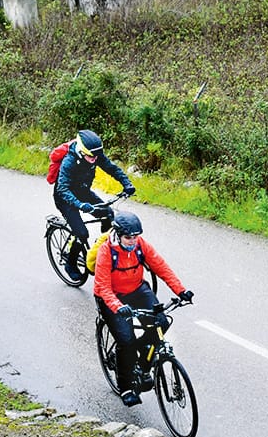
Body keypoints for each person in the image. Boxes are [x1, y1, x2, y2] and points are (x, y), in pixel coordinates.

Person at [93, 210, 194, 407]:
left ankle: (139, 361)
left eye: (135, 236)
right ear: (118, 234)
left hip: (137, 290)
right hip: (111, 297)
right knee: (127, 340)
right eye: (128, 237)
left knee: (161, 322)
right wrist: (117, 306)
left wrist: (181, 290)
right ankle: (126, 387)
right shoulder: (106, 252)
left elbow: (161, 267)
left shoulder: (141, 246)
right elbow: (103, 286)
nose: (132, 241)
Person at [54, 129, 136, 279]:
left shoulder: (95, 155)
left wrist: (127, 184)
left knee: (109, 214)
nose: (94, 159)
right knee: (82, 233)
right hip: (64, 198)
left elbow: (112, 169)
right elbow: (62, 188)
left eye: (96, 156)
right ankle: (70, 263)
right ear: (81, 151)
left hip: (83, 192)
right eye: (90, 156)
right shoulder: (69, 162)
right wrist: (79, 204)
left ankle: (103, 246)